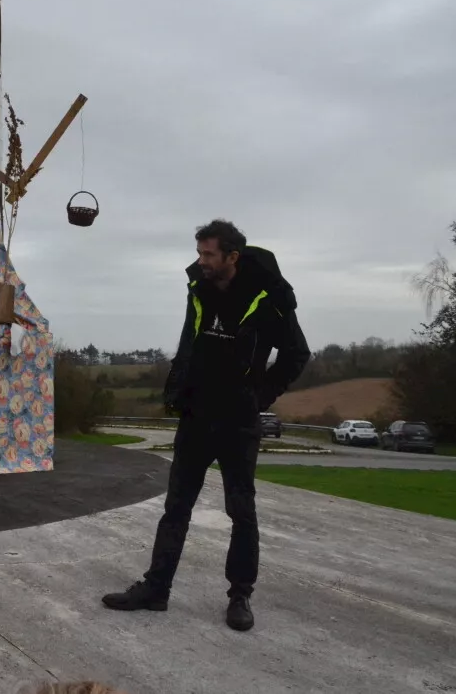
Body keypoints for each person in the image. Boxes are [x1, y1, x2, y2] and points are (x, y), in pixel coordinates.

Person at [102, 219, 309, 631]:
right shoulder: (198, 286)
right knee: (175, 508)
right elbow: (189, 339)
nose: (201, 261)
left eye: (208, 254)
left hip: (238, 420)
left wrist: (259, 396)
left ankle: (239, 597)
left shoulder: (268, 298)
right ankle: (156, 589)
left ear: (232, 256)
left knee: (241, 510)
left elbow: (297, 354)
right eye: (199, 253)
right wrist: (176, 387)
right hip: (197, 415)